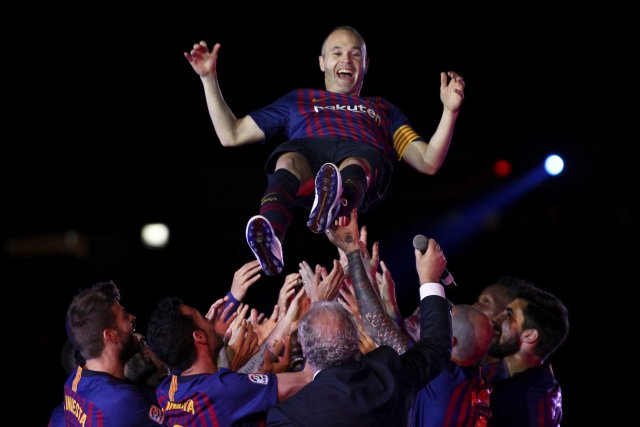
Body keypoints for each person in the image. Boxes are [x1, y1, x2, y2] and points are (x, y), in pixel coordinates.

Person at [185, 25, 465, 275]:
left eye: (356, 54)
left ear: (366, 64)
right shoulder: (298, 100)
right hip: (311, 157)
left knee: (357, 161)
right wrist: (208, 79)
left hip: (361, 157)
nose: (347, 59)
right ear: (322, 62)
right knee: (288, 160)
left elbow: (428, 161)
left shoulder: (382, 109)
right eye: (337, 52)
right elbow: (231, 135)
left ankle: (338, 199)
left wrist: (450, 111)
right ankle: (271, 236)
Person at [265, 209, 452, 426]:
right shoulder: (387, 375)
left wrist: (304, 313)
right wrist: (429, 278)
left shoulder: (288, 415)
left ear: (305, 349)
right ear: (355, 336)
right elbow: (436, 347)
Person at [146, 294, 312, 426]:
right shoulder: (222, 390)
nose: (210, 321)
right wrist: (315, 314)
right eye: (203, 319)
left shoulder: (166, 390)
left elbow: (227, 388)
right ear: (199, 336)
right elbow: (307, 378)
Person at [51, 281, 164, 426]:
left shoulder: (75, 380)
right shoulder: (121, 400)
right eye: (124, 316)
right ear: (110, 335)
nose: (132, 317)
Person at [486, 283, 569, 427]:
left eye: (509, 315)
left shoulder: (522, 404)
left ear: (530, 335)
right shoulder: (541, 385)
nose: (495, 319)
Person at [410, 304, 493, 427]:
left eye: (440, 323)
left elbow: (381, 326)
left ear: (451, 341)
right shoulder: (476, 379)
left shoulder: (437, 371)